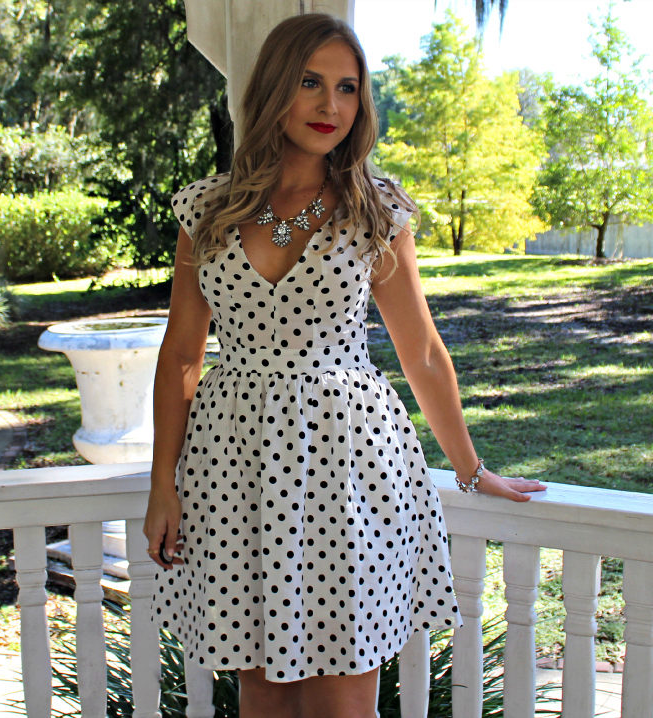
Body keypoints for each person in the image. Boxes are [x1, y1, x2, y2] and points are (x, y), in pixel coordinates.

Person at [143, 12, 546, 718]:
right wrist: (162, 485)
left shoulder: (373, 209)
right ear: (274, 88)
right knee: (261, 693)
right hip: (233, 467)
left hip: (347, 466)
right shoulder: (207, 210)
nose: (331, 105)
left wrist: (471, 468)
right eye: (310, 82)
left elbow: (421, 351)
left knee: (346, 695)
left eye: (347, 88)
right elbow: (181, 354)